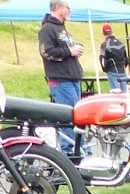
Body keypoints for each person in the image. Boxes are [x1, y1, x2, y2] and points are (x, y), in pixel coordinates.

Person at [38, 0, 83, 154]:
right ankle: (69, 155)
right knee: (69, 119)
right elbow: (46, 51)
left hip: (72, 78)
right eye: (67, 7)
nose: (70, 10)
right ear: (58, 8)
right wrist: (69, 52)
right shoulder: (47, 29)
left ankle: (78, 151)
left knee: (78, 118)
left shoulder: (61, 28)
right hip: (61, 80)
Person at [99, 24, 130, 89]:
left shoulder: (104, 44)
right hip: (122, 71)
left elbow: (102, 60)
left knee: (116, 94)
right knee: (124, 95)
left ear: (103, 33)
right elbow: (126, 59)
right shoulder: (121, 43)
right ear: (111, 31)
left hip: (112, 72)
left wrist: (106, 69)